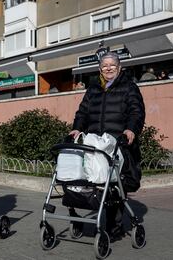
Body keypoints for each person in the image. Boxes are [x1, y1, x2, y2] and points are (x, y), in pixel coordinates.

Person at [69, 52, 145, 242]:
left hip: (118, 143)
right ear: (99, 69)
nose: (108, 68)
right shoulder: (93, 88)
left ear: (119, 68)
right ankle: (86, 216)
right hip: (95, 144)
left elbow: (136, 111)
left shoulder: (129, 87)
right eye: (105, 65)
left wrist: (131, 129)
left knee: (114, 187)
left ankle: (114, 228)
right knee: (91, 182)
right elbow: (83, 112)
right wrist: (77, 129)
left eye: (112, 65)